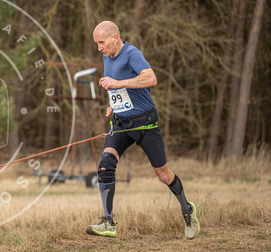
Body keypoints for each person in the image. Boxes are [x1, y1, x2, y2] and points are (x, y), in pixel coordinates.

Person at [86, 21, 200, 239]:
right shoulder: (107, 55)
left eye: (101, 43)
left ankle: (187, 210)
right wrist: (114, 105)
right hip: (121, 124)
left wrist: (118, 83)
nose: (99, 48)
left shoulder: (132, 54)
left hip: (145, 125)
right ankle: (108, 222)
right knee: (105, 165)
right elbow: (118, 88)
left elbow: (151, 78)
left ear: (115, 38)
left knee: (163, 174)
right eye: (96, 44)